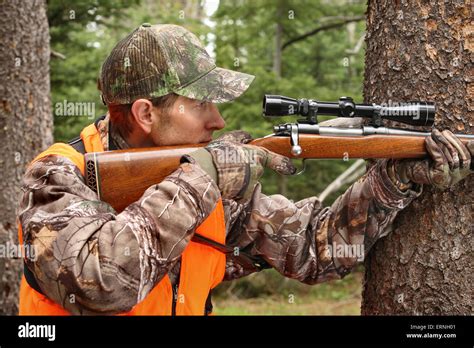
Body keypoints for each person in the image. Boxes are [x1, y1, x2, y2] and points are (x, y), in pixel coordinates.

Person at [17, 24, 473, 315]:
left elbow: (314, 250)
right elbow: (100, 284)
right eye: (200, 105)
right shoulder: (60, 176)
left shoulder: (202, 179)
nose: (219, 122)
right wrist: (203, 177)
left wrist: (395, 180)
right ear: (145, 114)